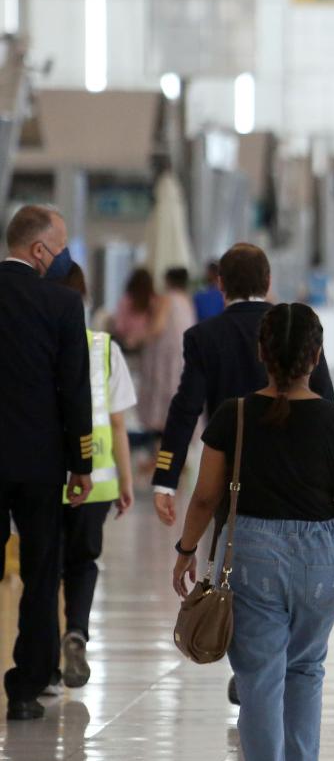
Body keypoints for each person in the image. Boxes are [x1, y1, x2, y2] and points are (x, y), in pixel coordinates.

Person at [172, 303, 334, 761]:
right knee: (306, 667)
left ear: (262, 353)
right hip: (324, 561)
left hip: (253, 554)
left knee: (260, 678)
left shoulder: (232, 416)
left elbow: (206, 496)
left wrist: (187, 548)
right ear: (317, 356)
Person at [152, 243, 334, 708]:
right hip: (299, 474)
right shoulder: (297, 326)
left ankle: (254, 661)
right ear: (268, 280)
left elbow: (185, 408)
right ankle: (270, 662)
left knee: (235, 570)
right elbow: (326, 402)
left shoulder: (204, 336)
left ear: (220, 284)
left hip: (232, 476)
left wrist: (165, 478)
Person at [0, 205, 93, 721]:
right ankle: (25, 686)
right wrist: (82, 463)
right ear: (39, 251)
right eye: (60, 247)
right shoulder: (61, 304)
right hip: (40, 460)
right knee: (40, 572)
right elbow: (75, 390)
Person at [56, 266, 136, 690]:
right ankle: (76, 632)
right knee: (83, 563)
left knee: (47, 563)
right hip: (100, 482)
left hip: (48, 477)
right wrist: (126, 481)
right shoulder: (104, 349)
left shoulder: (37, 345)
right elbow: (119, 423)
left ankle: (44, 657)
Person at [137, 267, 196, 435]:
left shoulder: (166, 299)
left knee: (160, 407)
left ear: (168, 281)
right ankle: (175, 457)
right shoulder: (187, 300)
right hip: (182, 357)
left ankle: (159, 456)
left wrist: (137, 340)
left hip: (164, 358)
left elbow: (157, 327)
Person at [112, 267, 155, 351]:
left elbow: (119, 327)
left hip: (127, 345)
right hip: (148, 346)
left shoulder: (126, 301)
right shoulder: (153, 302)